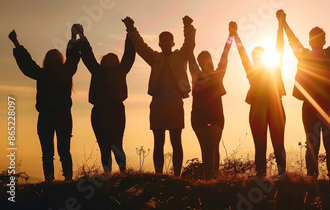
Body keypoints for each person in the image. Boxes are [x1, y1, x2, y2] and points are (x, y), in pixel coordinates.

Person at [122, 16, 195, 176]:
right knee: (158, 142)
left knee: (176, 141)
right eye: (163, 41)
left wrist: (188, 26)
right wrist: (131, 29)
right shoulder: (155, 58)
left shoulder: (180, 56)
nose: (166, 43)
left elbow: (189, 44)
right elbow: (141, 47)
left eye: (168, 41)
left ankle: (177, 176)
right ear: (160, 44)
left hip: (175, 103)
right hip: (158, 104)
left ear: (172, 43)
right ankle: (158, 175)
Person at [281, 9, 330, 180]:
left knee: (325, 144)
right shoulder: (322, 54)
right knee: (317, 144)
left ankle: (326, 178)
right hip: (318, 105)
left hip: (317, 105)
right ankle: (317, 178)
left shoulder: (310, 55)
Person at [9, 26, 81, 182]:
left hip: (59, 116)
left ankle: (67, 180)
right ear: (47, 60)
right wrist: (16, 43)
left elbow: (73, 58)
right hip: (48, 116)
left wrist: (73, 37)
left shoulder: (63, 72)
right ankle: (50, 181)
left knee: (63, 151)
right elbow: (27, 64)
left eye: (55, 56)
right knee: (49, 152)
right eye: (51, 56)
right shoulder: (43, 74)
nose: (53, 58)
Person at [233, 12, 287, 177]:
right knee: (266, 145)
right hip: (267, 107)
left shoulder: (269, 68)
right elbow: (278, 46)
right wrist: (235, 34)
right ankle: (267, 176)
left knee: (271, 144)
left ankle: (273, 176)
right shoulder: (270, 68)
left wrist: (280, 23)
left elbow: (279, 46)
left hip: (266, 107)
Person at [77, 24, 135, 173]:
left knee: (116, 144)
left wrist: (130, 32)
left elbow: (129, 55)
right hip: (100, 112)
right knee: (104, 146)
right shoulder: (97, 71)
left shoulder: (120, 71)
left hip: (115, 111)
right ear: (103, 62)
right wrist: (82, 38)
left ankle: (122, 173)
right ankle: (108, 174)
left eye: (113, 60)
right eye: (108, 60)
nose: (110, 62)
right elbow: (88, 56)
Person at [188, 22, 235, 179]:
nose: (204, 62)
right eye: (202, 60)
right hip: (199, 117)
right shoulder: (196, 75)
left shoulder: (218, 74)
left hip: (215, 116)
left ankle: (212, 179)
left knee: (212, 148)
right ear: (199, 63)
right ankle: (211, 179)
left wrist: (231, 35)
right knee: (208, 149)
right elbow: (189, 54)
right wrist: (189, 31)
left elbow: (225, 55)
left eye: (207, 59)